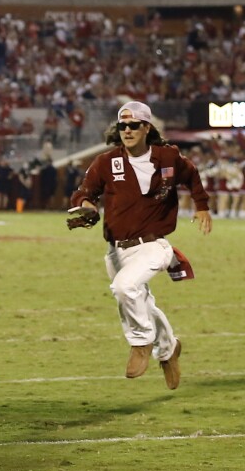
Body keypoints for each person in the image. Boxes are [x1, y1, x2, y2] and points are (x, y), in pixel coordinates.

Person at [68, 101, 212, 389]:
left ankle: (141, 342)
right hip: (117, 250)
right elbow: (84, 194)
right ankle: (169, 348)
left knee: (125, 287)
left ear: (147, 128)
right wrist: (86, 209)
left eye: (134, 125)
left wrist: (202, 206)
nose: (128, 130)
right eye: (123, 126)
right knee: (142, 302)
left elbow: (191, 173)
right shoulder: (106, 162)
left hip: (154, 245)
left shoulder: (168, 157)